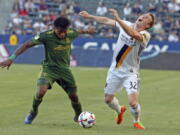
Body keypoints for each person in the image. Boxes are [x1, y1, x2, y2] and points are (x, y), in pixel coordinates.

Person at [0, 16, 95, 124]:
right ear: (54, 27)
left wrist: (88, 31)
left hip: (64, 70)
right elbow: (27, 44)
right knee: (41, 91)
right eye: (60, 32)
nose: (62, 34)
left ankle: (79, 115)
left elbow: (79, 31)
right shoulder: (45, 36)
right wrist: (11, 58)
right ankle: (33, 112)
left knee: (74, 96)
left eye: (64, 32)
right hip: (49, 69)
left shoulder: (71, 33)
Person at [79, 9, 155, 129]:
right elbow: (106, 20)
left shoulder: (145, 35)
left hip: (130, 73)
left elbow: (133, 34)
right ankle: (120, 110)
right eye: (143, 15)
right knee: (108, 100)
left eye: (146, 18)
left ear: (147, 25)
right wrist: (89, 16)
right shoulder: (127, 24)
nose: (143, 17)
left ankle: (136, 121)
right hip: (115, 70)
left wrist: (118, 19)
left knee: (133, 102)